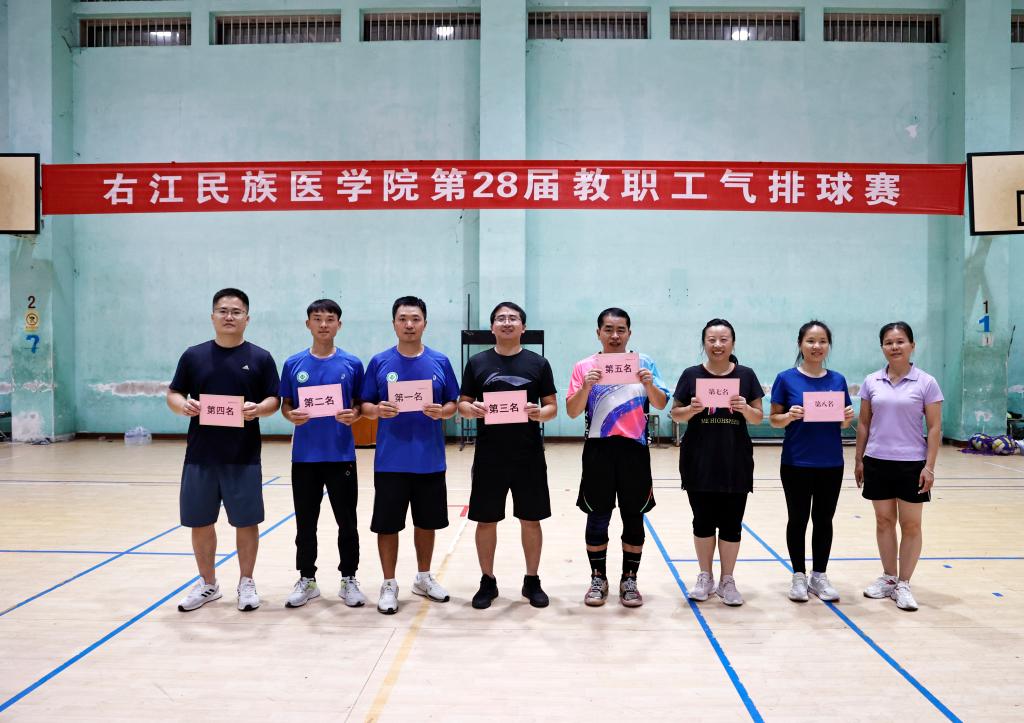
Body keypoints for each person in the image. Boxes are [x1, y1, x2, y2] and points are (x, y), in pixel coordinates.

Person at [167, 288, 280, 612]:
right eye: (223, 311)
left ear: (247, 318)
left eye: (236, 311)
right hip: (200, 456)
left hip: (243, 456)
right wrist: (182, 405)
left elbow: (274, 399)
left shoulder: (260, 358)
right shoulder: (193, 356)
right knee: (200, 521)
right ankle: (208, 583)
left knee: (246, 521)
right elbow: (174, 393)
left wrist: (259, 409)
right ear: (213, 316)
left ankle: (246, 582)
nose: (229, 316)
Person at [359, 296, 460, 614]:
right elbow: (364, 405)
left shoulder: (440, 361)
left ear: (424, 324)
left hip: (429, 459)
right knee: (387, 525)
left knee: (426, 523)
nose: (409, 324)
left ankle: (423, 577)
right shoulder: (380, 362)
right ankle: (389, 583)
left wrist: (442, 411)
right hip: (391, 461)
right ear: (394, 324)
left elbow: (453, 403)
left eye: (415, 319)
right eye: (403, 319)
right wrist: (378, 410)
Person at [566, 307, 670, 608]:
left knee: (633, 516)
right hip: (598, 450)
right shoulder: (584, 366)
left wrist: (649, 383)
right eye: (608, 329)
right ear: (598, 333)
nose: (614, 335)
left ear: (629, 333)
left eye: (620, 330)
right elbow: (572, 411)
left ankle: (629, 579)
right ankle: (597, 578)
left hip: (634, 451)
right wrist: (586, 386)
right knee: (597, 516)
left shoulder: (644, 363)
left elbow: (661, 404)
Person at [458, 302, 558, 609]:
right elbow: (463, 403)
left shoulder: (538, 363)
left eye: (513, 318)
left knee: (531, 519)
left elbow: (551, 407)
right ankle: (487, 580)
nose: (507, 322)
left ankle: (532, 580)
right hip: (489, 454)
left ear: (523, 327)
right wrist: (471, 409)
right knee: (486, 520)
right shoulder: (477, 362)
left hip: (528, 454)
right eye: (500, 318)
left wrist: (539, 413)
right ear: (492, 327)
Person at [279, 299, 366, 608]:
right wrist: (290, 416)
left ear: (339, 325)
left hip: (341, 455)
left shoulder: (352, 364)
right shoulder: (293, 363)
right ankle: (307, 579)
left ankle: (349, 578)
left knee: (347, 522)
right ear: (308, 324)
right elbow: (286, 405)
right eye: (317, 319)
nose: (324, 324)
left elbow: (360, 404)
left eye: (330, 319)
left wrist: (355, 414)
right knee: (306, 523)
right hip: (305, 457)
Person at [670, 318, 763, 606]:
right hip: (699, 460)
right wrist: (691, 409)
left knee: (732, 523)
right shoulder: (691, 375)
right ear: (704, 343)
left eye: (724, 339)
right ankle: (705, 576)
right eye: (712, 340)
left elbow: (758, 417)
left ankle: (727, 580)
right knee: (702, 521)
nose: (718, 345)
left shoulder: (746, 375)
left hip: (735, 460)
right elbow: (675, 414)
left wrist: (745, 408)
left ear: (732, 343)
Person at [855, 321, 942, 611]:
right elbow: (864, 423)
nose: (895, 347)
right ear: (882, 347)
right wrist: (859, 459)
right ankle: (889, 577)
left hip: (912, 464)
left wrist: (929, 466)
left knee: (911, 524)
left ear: (912, 346)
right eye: (889, 342)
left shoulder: (926, 382)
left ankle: (904, 583)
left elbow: (935, 427)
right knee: (884, 521)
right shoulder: (871, 381)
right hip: (877, 461)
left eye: (900, 341)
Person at [768, 320, 854, 603]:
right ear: (800, 344)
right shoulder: (785, 378)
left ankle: (819, 575)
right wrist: (789, 415)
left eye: (822, 341)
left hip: (831, 463)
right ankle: (798, 576)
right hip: (796, 462)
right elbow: (774, 420)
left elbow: (842, 423)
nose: (817, 346)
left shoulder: (838, 380)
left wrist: (846, 419)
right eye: (811, 341)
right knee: (798, 519)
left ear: (828, 345)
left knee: (824, 520)